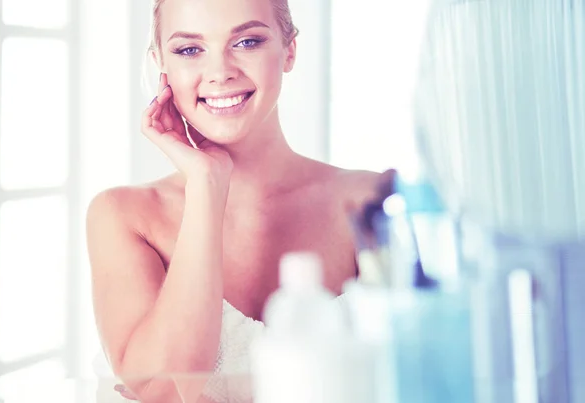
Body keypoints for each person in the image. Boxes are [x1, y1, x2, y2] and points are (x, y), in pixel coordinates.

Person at [86, 0, 395, 401]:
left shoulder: (372, 201)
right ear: (159, 62)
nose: (220, 73)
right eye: (189, 50)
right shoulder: (125, 217)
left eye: (247, 41)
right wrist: (205, 186)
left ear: (289, 51)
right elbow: (162, 392)